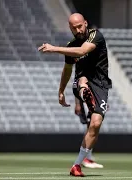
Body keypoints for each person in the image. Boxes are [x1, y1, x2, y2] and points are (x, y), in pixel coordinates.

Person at [38, 13, 112, 177]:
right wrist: (61, 91)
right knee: (82, 80)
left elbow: (82, 51)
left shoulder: (96, 36)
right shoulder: (71, 45)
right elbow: (67, 70)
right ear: (70, 28)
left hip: (100, 84)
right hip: (81, 81)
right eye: (74, 27)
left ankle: (76, 165)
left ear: (85, 23)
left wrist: (54, 48)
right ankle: (84, 93)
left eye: (80, 26)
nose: (78, 30)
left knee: (95, 124)